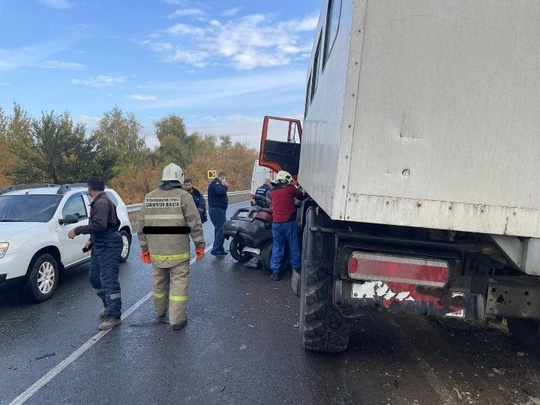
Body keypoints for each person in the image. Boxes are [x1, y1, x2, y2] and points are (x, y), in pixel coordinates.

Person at [138, 163, 205, 331]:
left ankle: (160, 311)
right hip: (178, 251)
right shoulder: (184, 197)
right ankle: (177, 320)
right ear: (180, 178)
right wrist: (200, 245)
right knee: (179, 285)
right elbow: (195, 223)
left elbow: (141, 226)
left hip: (156, 251)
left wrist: (144, 248)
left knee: (159, 283)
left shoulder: (149, 197)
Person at [68, 176, 123, 330]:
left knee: (109, 280)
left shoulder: (102, 203)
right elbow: (100, 226)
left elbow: (100, 225)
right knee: (94, 277)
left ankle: (114, 315)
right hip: (100, 243)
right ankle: (108, 306)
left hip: (109, 244)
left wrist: (77, 230)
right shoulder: (99, 201)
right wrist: (91, 240)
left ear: (89, 188)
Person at [269, 170, 304, 281]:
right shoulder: (290, 188)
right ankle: (297, 268)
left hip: (276, 224)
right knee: (294, 246)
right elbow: (301, 196)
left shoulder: (273, 191)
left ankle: (275, 272)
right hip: (289, 223)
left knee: (278, 247)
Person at [208, 171, 229, 257]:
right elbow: (220, 192)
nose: (227, 181)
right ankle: (216, 249)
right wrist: (225, 186)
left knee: (219, 229)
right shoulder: (215, 183)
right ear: (223, 177)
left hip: (219, 209)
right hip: (216, 209)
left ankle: (219, 248)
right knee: (221, 229)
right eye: (226, 179)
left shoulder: (218, 184)